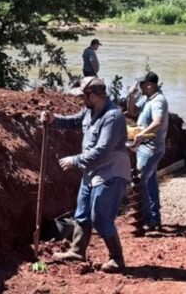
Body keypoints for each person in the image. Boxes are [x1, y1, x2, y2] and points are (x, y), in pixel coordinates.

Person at [39, 77, 130, 272]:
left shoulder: (113, 117)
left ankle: (117, 258)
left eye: (83, 96)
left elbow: (103, 150)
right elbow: (74, 121)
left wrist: (75, 160)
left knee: (101, 218)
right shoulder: (89, 111)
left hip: (110, 172)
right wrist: (54, 120)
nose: (81, 100)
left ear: (94, 96)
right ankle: (77, 251)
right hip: (92, 171)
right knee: (82, 212)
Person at [127, 71, 169, 231]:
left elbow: (158, 122)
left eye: (142, 84)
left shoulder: (159, 101)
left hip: (152, 148)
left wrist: (142, 134)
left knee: (139, 181)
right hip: (144, 146)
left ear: (150, 85)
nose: (140, 87)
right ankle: (154, 218)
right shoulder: (147, 99)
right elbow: (132, 111)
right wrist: (131, 96)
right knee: (150, 183)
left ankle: (145, 220)